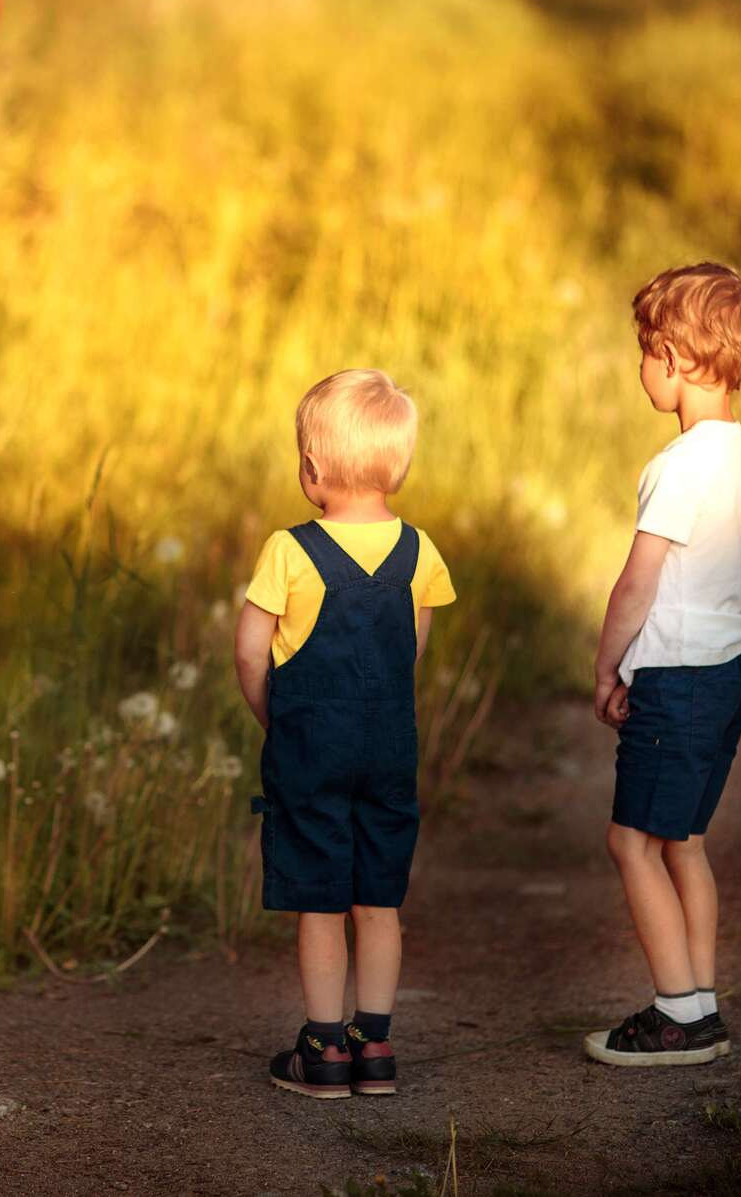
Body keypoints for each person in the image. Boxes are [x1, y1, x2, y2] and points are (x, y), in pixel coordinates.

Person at [234, 369, 456, 1098]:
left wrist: (276, 717)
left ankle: (325, 1048)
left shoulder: (288, 550)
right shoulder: (418, 550)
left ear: (311, 466)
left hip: (310, 748)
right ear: (400, 464)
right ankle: (375, 1042)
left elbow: (250, 652)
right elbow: (411, 648)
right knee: (378, 898)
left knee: (321, 897)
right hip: (388, 745)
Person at [585, 263, 741, 1066]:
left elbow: (637, 583)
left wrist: (608, 668)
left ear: (672, 357)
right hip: (731, 675)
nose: (641, 365)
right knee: (684, 842)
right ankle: (700, 1004)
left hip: (681, 681)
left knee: (631, 843)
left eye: (644, 350)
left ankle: (675, 1015)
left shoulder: (680, 464)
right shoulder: (739, 454)